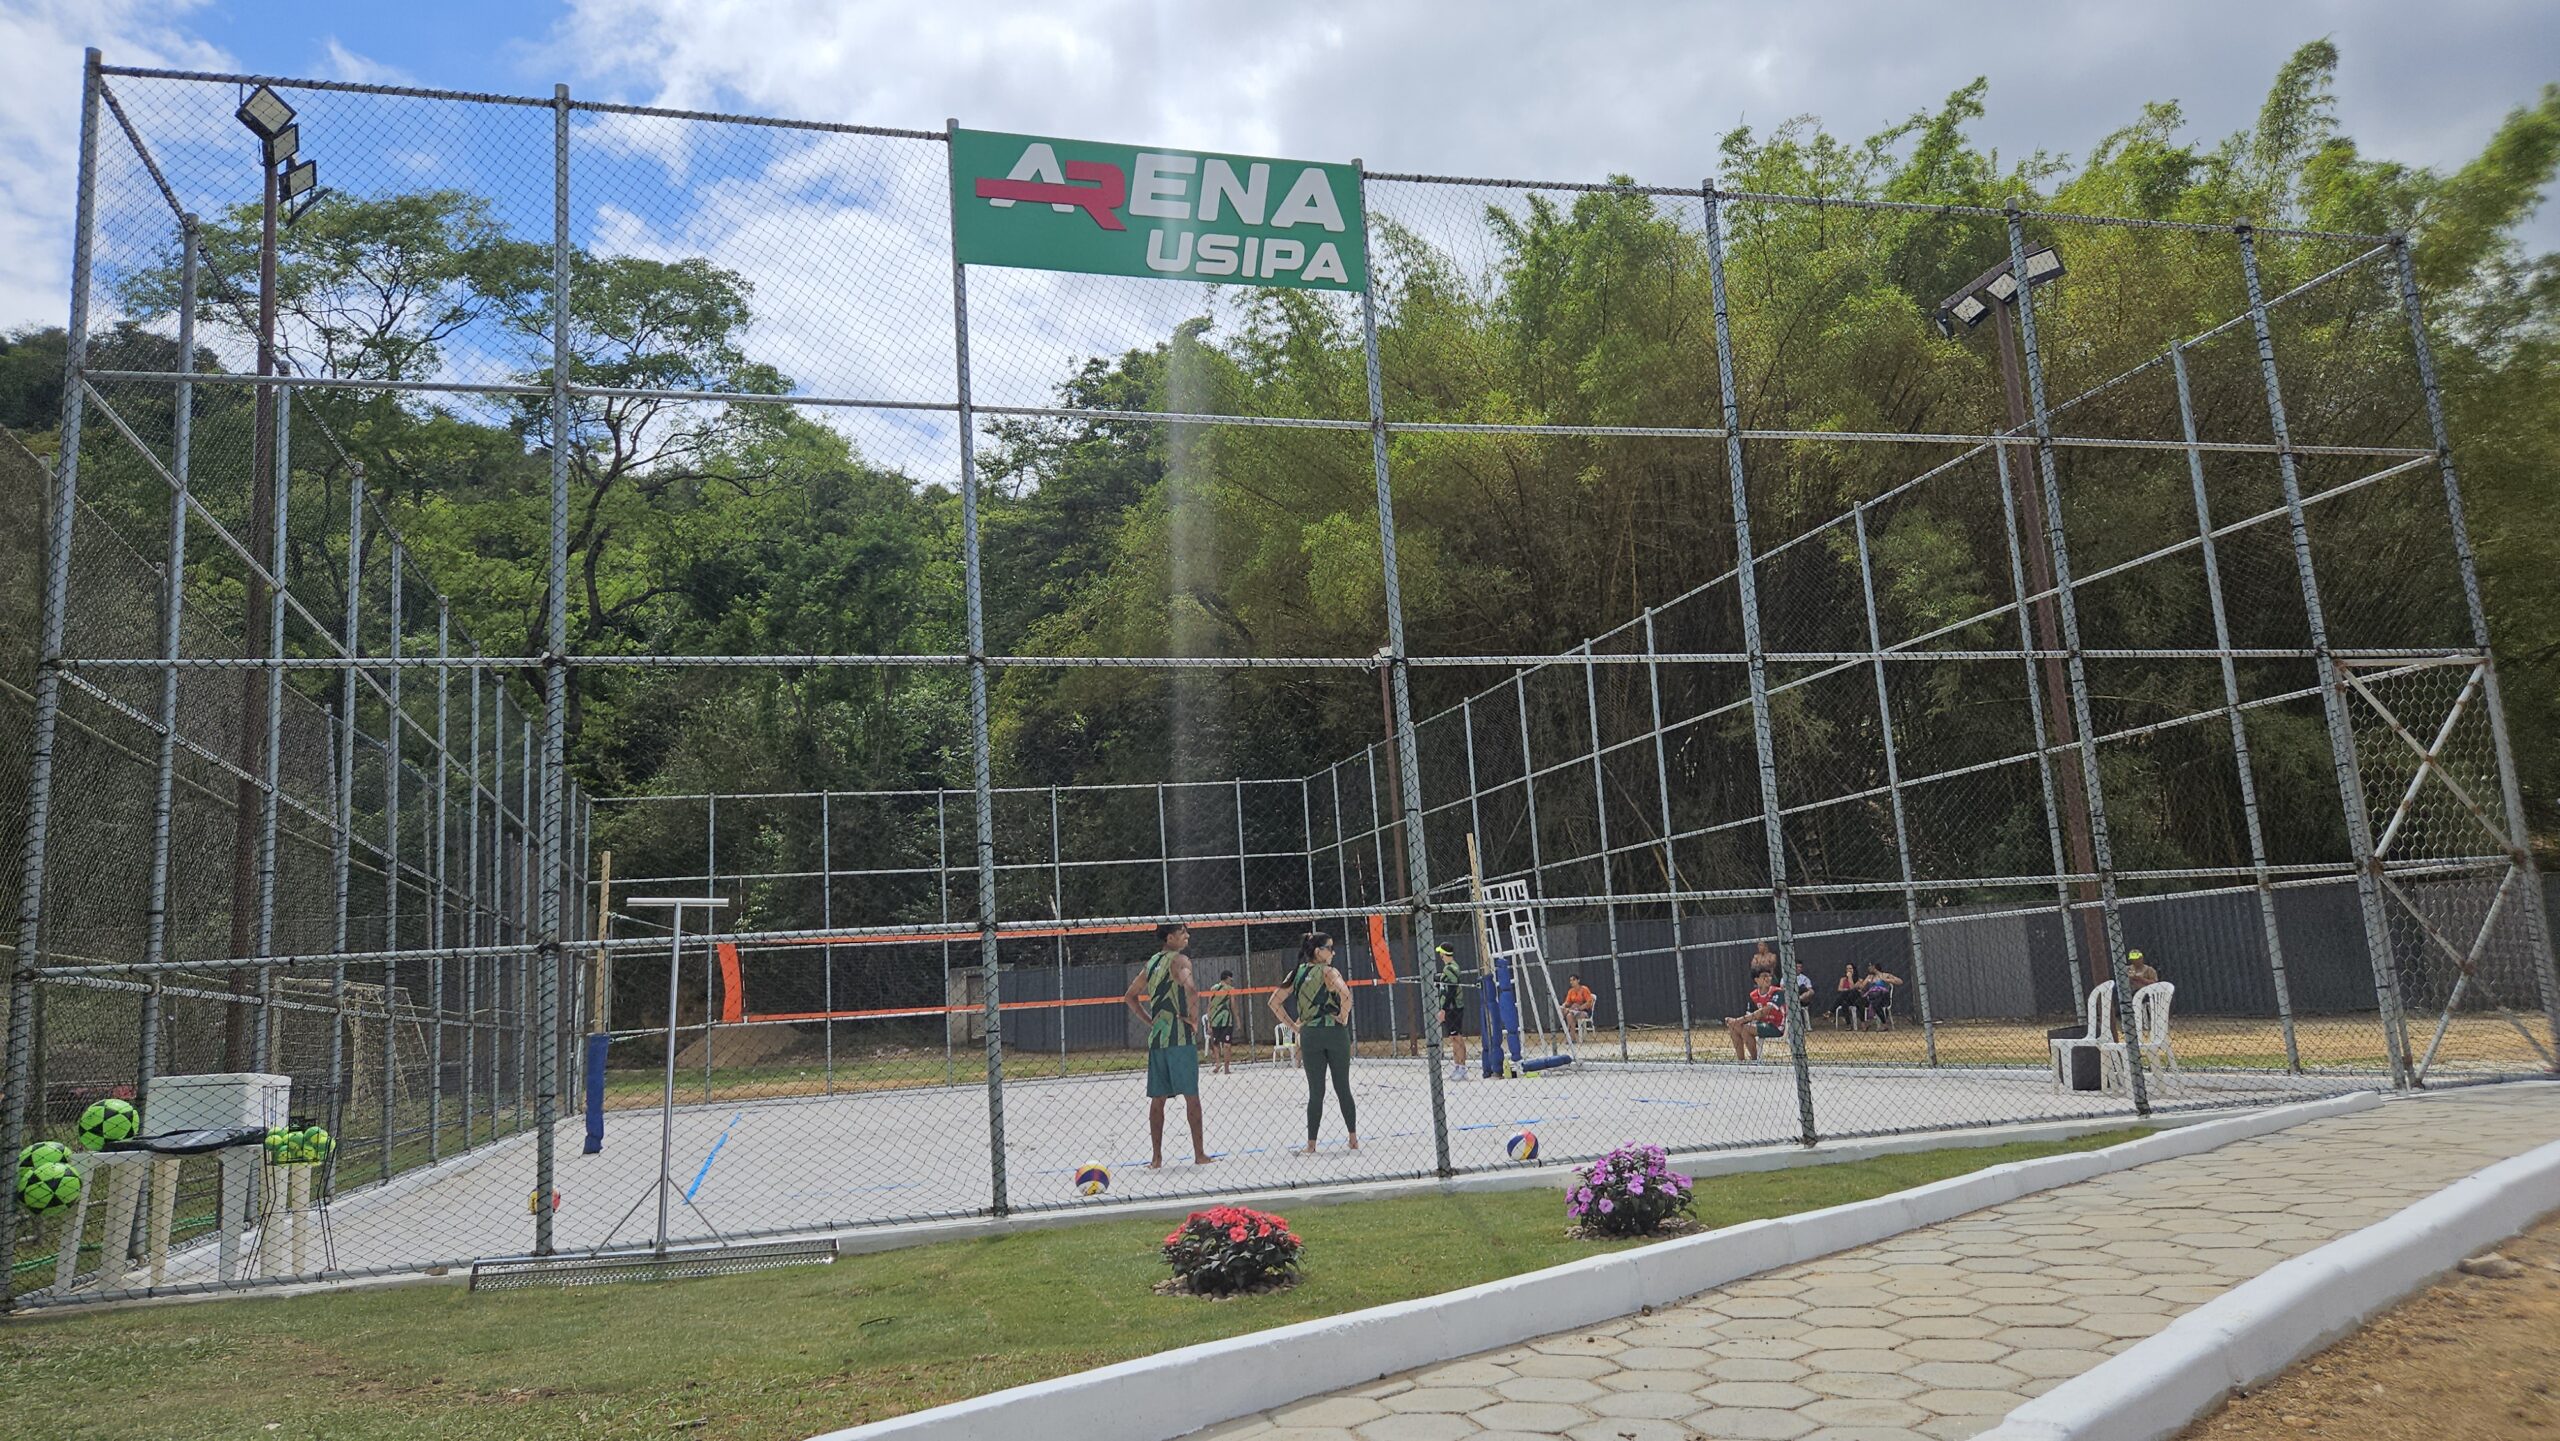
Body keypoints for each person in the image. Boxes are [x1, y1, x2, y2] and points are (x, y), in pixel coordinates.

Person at [1123, 921, 1211, 1168]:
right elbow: (1192, 990)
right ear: (1170, 937)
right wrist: (1193, 1019)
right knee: (1191, 1096)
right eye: (1183, 933)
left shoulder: (1151, 964)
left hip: (1159, 1037)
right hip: (1179, 1037)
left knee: (1158, 1099)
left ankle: (1156, 1158)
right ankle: (1199, 1154)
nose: (1187, 936)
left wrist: (1149, 1021)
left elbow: (1129, 996)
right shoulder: (1180, 960)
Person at [1270, 933, 1358, 1153]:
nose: (1333, 952)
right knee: (1343, 1088)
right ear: (1319, 951)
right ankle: (1353, 1138)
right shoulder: (1329, 972)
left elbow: (1274, 1002)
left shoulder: (1295, 974)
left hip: (1309, 1035)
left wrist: (1294, 1026)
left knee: (1315, 1091)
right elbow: (1345, 994)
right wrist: (1344, 1017)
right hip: (1334, 1032)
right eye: (1330, 948)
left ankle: (1311, 1144)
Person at [1724, 973, 1787, 1062]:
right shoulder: (1753, 995)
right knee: (1733, 1026)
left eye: (1769, 976)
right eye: (1764, 976)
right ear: (1756, 980)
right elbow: (1750, 1015)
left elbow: (1763, 1012)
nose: (1768, 979)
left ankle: (1754, 1061)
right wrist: (1735, 1022)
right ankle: (1741, 1061)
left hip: (1776, 1026)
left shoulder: (1777, 992)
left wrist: (1738, 1020)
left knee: (1746, 1028)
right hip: (1761, 1024)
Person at [1434, 945, 1471, 1080]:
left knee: (1456, 1038)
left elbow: (1452, 989)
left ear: (1444, 954)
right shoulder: (1450, 968)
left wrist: (1443, 1008)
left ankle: (1461, 1068)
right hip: (1452, 1006)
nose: (1440, 956)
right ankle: (1458, 1066)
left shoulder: (1450, 968)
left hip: (1452, 1007)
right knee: (1454, 1037)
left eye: (1441, 954)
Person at [1205, 970, 1239, 1075]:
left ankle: (1218, 1063)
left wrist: (1209, 1022)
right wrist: (1237, 1019)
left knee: (1215, 1043)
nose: (1232, 981)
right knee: (1227, 1044)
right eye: (1231, 979)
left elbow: (1209, 1006)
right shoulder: (1230, 989)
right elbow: (1233, 1005)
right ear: (1227, 978)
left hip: (1215, 1020)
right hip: (1226, 1019)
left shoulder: (1213, 988)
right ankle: (1226, 1068)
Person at [1861, 963, 1905, 1031]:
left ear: (1874, 967)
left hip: (1883, 997)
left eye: (1870, 966)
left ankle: (1870, 1022)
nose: (1868, 968)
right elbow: (1862, 987)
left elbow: (1900, 981)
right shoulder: (1869, 977)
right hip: (1872, 997)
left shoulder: (1885, 975)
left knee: (1876, 998)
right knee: (1872, 1001)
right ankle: (1884, 1024)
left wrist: (1888, 980)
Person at [1562, 974, 1597, 1046]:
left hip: (1584, 1011)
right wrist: (1564, 1005)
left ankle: (1570, 1037)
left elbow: (1589, 1002)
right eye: (1570, 980)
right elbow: (1568, 1002)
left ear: (1578, 980)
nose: (1572, 982)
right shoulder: (1571, 991)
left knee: (1570, 1015)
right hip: (1574, 1011)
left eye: (1573, 980)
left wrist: (1579, 1008)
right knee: (1569, 1015)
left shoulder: (1584, 989)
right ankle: (1573, 1038)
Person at [1832, 964, 1864, 1029]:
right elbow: (1839, 989)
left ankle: (1831, 1010)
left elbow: (1852, 988)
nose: (1849, 970)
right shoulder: (1843, 979)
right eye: (1847, 968)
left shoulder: (1859, 980)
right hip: (1846, 999)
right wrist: (1845, 990)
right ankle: (1848, 1024)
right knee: (1844, 1003)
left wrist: (1850, 977)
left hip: (1855, 999)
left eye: (1850, 968)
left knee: (1852, 992)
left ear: (1854, 970)